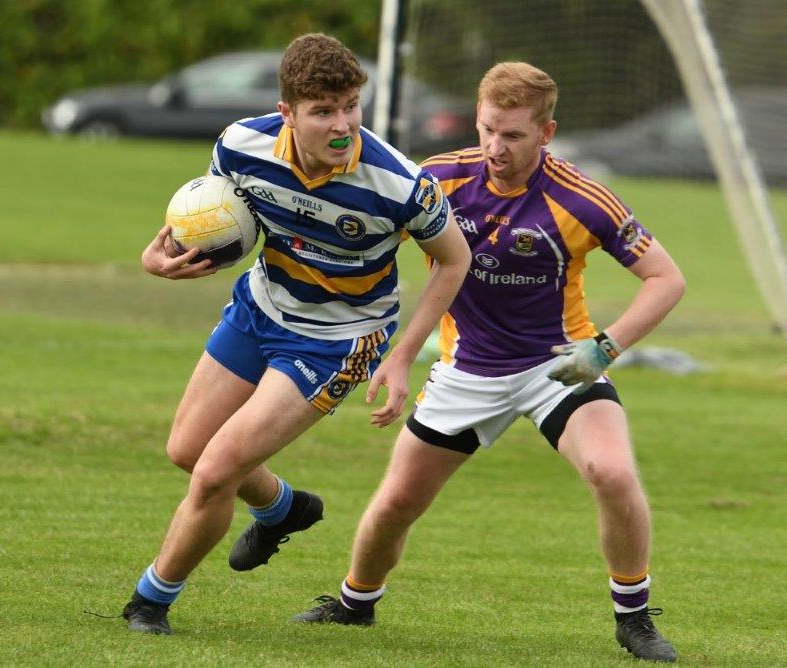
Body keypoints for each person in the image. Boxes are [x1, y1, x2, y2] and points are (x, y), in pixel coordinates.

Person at [293, 62, 686, 663]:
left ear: (546, 133)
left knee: (612, 473)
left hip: (558, 367)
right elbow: (365, 246)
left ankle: (634, 619)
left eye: (513, 136)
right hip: (466, 371)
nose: (495, 148)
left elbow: (665, 279)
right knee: (396, 503)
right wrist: (392, 354)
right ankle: (354, 602)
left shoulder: (581, 198)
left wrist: (603, 349)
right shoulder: (437, 180)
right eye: (486, 130)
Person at [122, 33, 470, 636]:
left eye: (350, 107)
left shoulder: (399, 185)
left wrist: (401, 357)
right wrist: (161, 256)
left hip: (339, 340)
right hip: (260, 309)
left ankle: (149, 601)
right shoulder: (241, 144)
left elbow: (455, 260)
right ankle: (283, 509)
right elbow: (213, 215)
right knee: (186, 451)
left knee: (214, 472)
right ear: (287, 112)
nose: (343, 126)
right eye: (323, 112)